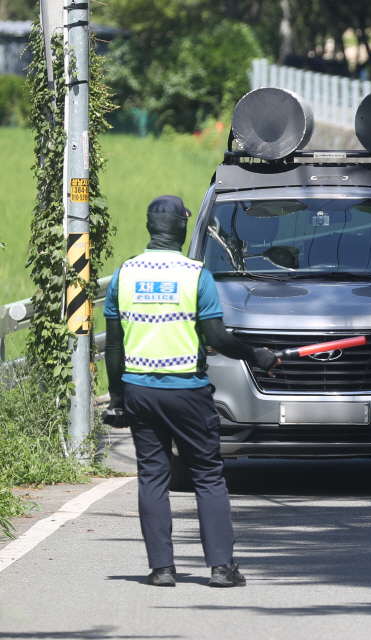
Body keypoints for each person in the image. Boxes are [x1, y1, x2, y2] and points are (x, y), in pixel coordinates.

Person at [103, 196, 279, 588]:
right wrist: (258, 355)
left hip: (139, 389)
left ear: (150, 228)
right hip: (187, 389)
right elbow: (217, 337)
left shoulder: (124, 275)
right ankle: (220, 568)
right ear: (183, 229)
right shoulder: (196, 275)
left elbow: (113, 348)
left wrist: (117, 397)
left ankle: (162, 569)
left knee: (152, 475)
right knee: (207, 474)